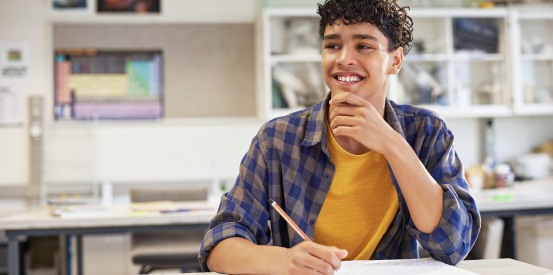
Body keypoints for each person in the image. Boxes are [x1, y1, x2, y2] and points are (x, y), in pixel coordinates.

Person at [199, 0, 481, 274]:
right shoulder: (276, 140)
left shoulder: (427, 133)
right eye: (332, 45)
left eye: (364, 46)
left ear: (394, 61)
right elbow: (218, 247)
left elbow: (453, 245)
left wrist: (392, 144)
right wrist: (282, 261)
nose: (344, 59)